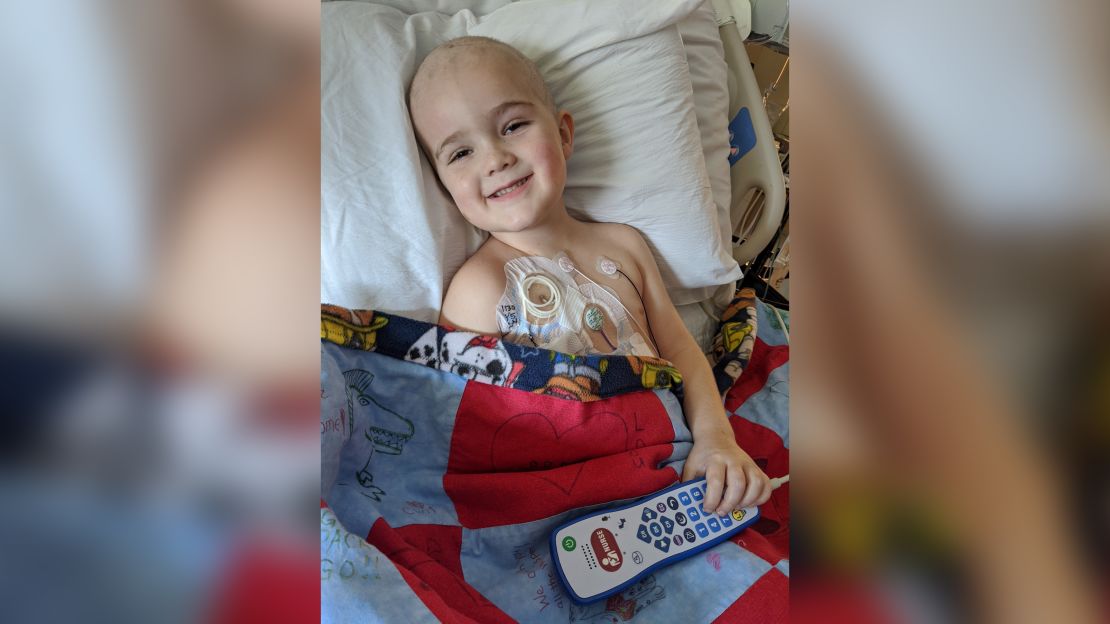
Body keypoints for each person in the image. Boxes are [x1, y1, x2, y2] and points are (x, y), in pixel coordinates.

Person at [407, 36, 771, 514]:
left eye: (513, 126)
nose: (495, 159)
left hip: (675, 458)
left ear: (563, 134)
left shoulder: (625, 245)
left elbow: (680, 347)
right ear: (441, 183)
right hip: (570, 493)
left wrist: (716, 438)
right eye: (460, 154)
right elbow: (468, 426)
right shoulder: (479, 289)